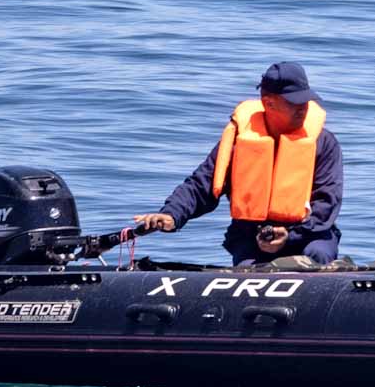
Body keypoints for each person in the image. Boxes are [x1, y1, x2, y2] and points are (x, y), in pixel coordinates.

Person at [133, 62, 343, 266]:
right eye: (294, 102)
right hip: (253, 236)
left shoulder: (323, 143)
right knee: (247, 268)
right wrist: (171, 214)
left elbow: (327, 201)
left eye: (305, 101)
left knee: (317, 254)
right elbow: (201, 185)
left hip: (308, 234)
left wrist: (290, 236)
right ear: (269, 103)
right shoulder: (239, 143)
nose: (303, 109)